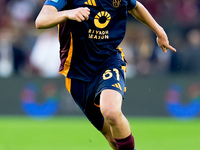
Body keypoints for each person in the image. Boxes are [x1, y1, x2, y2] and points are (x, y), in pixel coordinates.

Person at [35, 0, 176, 149]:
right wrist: (67, 13)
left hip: (108, 61)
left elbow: (135, 7)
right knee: (112, 138)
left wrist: (159, 31)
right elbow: (41, 20)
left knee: (111, 112)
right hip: (77, 72)